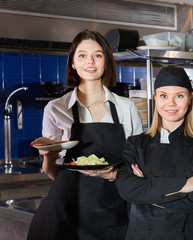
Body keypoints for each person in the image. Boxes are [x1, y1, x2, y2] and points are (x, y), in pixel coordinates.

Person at [27, 29, 143, 240]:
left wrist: (114, 174)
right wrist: (48, 157)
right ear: (73, 62)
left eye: (98, 55)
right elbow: (53, 172)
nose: (90, 61)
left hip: (112, 210)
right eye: (82, 55)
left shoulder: (126, 108)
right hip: (66, 211)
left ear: (106, 61)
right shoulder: (56, 108)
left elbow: (137, 165)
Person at [115, 66, 193, 240]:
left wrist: (147, 190)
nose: (171, 104)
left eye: (179, 96)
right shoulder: (135, 144)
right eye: (164, 95)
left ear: (190, 98)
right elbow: (126, 189)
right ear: (155, 97)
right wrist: (185, 184)